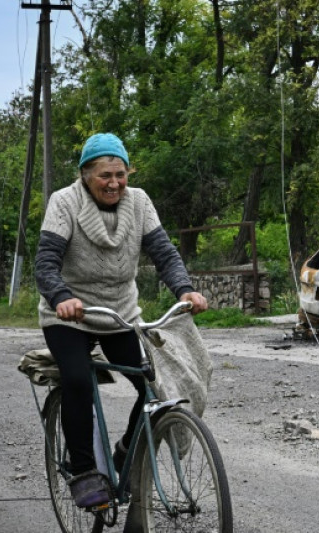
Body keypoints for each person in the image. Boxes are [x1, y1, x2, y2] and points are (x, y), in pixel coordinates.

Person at [34, 132, 208, 508]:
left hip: (118, 313)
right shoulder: (63, 203)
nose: (114, 183)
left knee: (155, 384)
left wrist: (185, 289)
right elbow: (45, 264)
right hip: (69, 315)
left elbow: (164, 252)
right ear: (84, 175)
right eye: (104, 176)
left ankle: (125, 452)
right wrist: (62, 297)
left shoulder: (139, 202)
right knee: (78, 382)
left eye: (120, 174)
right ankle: (84, 473)